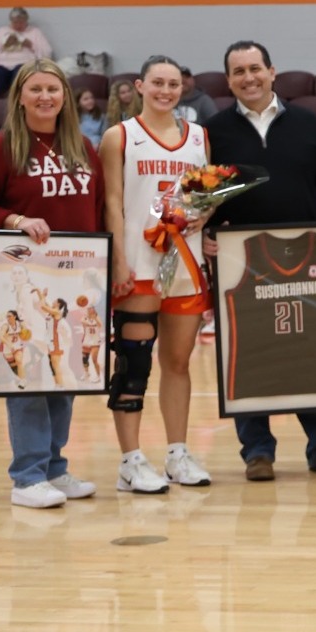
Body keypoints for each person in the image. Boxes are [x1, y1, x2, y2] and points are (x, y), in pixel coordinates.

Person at [204, 40, 316, 481]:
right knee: (250, 351)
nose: (249, 78)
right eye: (239, 72)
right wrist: (205, 236)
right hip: (243, 263)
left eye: (255, 68)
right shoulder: (212, 133)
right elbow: (202, 196)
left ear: (273, 72)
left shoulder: (308, 124)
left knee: (311, 350)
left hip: (306, 255)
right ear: (229, 80)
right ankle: (257, 451)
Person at [0, 59, 104, 507]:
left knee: (64, 373)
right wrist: (17, 219)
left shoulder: (81, 145)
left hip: (75, 277)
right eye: (37, 89)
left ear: (65, 97)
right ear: (19, 96)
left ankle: (55, 469)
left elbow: (97, 210)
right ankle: (26, 476)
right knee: (29, 376)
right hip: (23, 278)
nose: (46, 97)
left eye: (54, 89)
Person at [100, 55, 214, 493]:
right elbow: (113, 202)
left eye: (173, 84)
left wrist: (206, 213)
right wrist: (118, 261)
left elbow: (206, 194)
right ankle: (130, 461)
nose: (166, 91)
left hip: (183, 263)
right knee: (133, 364)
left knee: (179, 363)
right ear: (140, 86)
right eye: (157, 83)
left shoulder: (200, 136)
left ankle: (177, 454)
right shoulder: (120, 136)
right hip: (139, 264)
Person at [0, 8, 51, 110]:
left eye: (21, 22)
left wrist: (31, 45)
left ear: (26, 21)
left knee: (20, 73)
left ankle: (16, 108)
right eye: (15, 22)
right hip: (2, 63)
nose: (18, 25)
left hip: (24, 63)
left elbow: (47, 52)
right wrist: (3, 43)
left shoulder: (34, 32)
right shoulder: (3, 31)